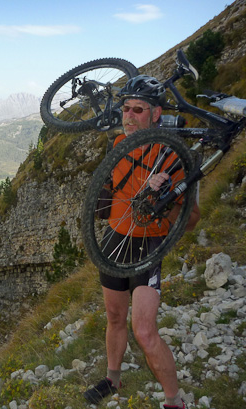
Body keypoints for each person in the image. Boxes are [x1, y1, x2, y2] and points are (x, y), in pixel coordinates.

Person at [83, 75, 200, 409]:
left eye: (138, 109)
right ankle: (112, 379)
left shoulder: (173, 156)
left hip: (149, 246)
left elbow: (191, 222)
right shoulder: (117, 145)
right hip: (113, 242)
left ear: (156, 113)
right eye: (126, 108)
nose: (129, 116)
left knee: (145, 331)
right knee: (115, 318)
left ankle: (174, 400)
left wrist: (170, 195)